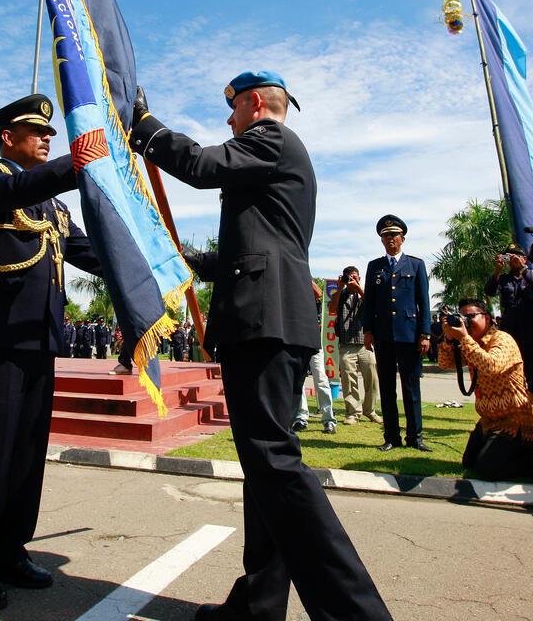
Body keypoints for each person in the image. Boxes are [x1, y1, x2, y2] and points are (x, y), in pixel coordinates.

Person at [130, 70, 392, 621]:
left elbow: (201, 166)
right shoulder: (274, 153)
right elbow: (257, 241)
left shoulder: (269, 137)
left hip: (266, 320)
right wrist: (192, 264)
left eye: (231, 110)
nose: (228, 122)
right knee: (265, 470)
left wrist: (147, 128)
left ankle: (356, 614)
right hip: (270, 316)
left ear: (253, 102)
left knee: (274, 463)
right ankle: (258, 605)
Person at [0, 94, 102, 611]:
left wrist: (161, 260)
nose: (47, 137)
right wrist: (75, 162)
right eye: (36, 131)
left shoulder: (52, 205)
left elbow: (87, 254)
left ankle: (10, 548)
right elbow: (12, 189)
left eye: (51, 133)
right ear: (7, 137)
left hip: (39, 343)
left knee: (25, 456)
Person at [438, 299, 533, 480]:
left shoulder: (502, 339)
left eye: (471, 316)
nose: (466, 321)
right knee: (469, 462)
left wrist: (464, 338)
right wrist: (449, 340)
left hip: (515, 420)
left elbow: (491, 365)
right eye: (463, 317)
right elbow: (445, 363)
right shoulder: (472, 342)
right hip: (489, 420)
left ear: (487, 318)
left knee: (486, 470)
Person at [363, 214, 432, 452]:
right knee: (387, 388)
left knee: (411, 387)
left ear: (402, 238)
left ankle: (415, 437)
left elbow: (423, 302)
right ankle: (391, 436)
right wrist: (368, 330)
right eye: (385, 236)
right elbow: (369, 301)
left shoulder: (416, 265)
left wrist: (425, 334)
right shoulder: (375, 267)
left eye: (393, 235)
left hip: (409, 335)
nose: (390, 239)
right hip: (383, 336)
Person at [486, 244, 533, 433]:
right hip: (511, 332)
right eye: (510, 256)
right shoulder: (504, 278)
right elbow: (490, 290)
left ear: (524, 258)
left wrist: (524, 268)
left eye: (517, 256)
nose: (513, 259)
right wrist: (498, 269)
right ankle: (516, 418)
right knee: (513, 377)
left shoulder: (531, 274)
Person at [333, 265, 380, 425]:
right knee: (348, 379)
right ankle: (353, 412)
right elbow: (332, 309)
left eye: (355, 276)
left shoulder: (365, 294)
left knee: (372, 378)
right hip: (346, 344)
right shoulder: (341, 295)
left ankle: (370, 410)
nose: (352, 280)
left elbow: (373, 307)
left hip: (365, 343)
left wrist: (358, 289)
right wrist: (340, 288)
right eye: (349, 277)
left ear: (360, 278)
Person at [294, 282, 337, 434]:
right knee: (298, 381)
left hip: (313, 343)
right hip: (297, 343)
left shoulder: (314, 298)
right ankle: (301, 417)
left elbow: (318, 293)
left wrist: (304, 274)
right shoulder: (291, 296)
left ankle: (328, 419)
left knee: (321, 380)